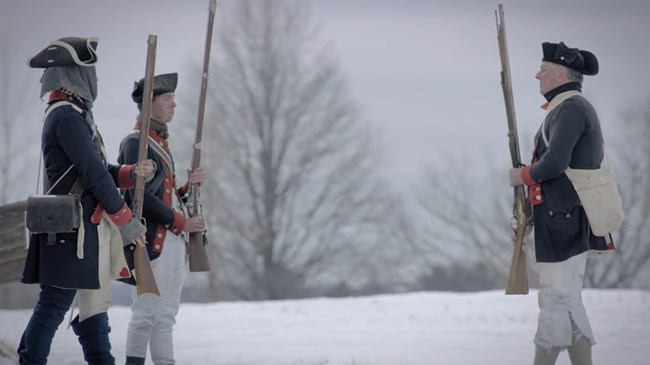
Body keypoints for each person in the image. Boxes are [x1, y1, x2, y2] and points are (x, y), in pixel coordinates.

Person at [19, 37, 155, 365]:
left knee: (92, 304)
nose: (94, 80)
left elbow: (99, 169)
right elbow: (93, 175)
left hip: (83, 227)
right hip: (71, 229)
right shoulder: (66, 115)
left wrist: (128, 173)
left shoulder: (75, 114)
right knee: (53, 305)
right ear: (73, 75)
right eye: (89, 72)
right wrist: (124, 219)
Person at [509, 41, 613, 365]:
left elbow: (554, 164)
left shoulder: (571, 108)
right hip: (560, 217)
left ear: (560, 75)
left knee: (555, 299)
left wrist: (521, 175)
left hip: (565, 218)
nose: (537, 75)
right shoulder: (566, 108)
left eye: (544, 70)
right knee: (565, 300)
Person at [118, 72, 206, 365]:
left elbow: (164, 194)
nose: (174, 105)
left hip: (170, 240)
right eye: (167, 99)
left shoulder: (159, 143)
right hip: (153, 241)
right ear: (150, 103)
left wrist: (187, 188)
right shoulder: (135, 142)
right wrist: (182, 223)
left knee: (165, 317)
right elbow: (139, 200)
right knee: (146, 315)